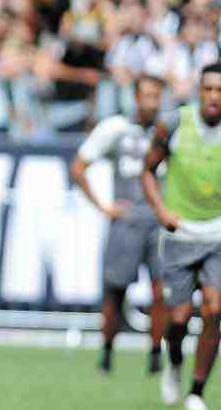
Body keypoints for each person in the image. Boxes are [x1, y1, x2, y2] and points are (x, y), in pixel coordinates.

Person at [70, 75, 168, 375]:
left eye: (156, 96)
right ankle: (107, 351)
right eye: (146, 96)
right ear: (135, 97)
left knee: (162, 289)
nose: (151, 103)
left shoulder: (169, 130)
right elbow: (79, 167)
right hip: (127, 219)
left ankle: (155, 354)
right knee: (116, 288)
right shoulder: (115, 128)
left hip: (160, 219)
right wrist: (104, 207)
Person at [142, 63, 221, 410]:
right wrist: (160, 210)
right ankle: (174, 364)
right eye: (209, 89)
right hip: (179, 232)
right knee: (178, 318)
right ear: (198, 91)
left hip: (217, 233)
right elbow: (147, 169)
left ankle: (197, 391)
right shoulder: (173, 124)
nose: (214, 97)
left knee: (215, 309)